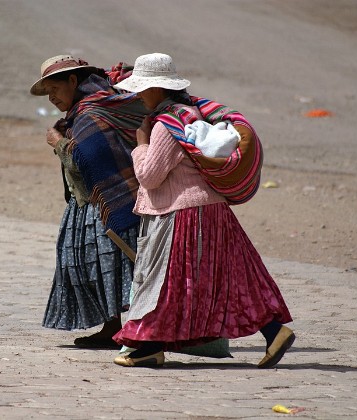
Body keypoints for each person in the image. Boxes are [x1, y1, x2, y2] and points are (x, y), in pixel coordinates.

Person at [110, 53, 295, 368]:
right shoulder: (189, 114)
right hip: (210, 211)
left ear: (158, 88)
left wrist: (140, 143)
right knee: (228, 277)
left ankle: (148, 346)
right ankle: (274, 331)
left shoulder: (164, 126)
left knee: (166, 279)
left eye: (142, 88)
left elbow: (150, 176)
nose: (139, 95)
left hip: (183, 214)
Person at [30, 55, 147, 348]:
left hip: (109, 203)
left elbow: (90, 161)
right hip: (87, 204)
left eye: (55, 88)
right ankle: (112, 327)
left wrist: (59, 144)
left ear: (73, 81)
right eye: (48, 93)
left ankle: (136, 329)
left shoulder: (92, 112)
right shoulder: (81, 114)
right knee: (89, 264)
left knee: (114, 263)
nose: (53, 97)